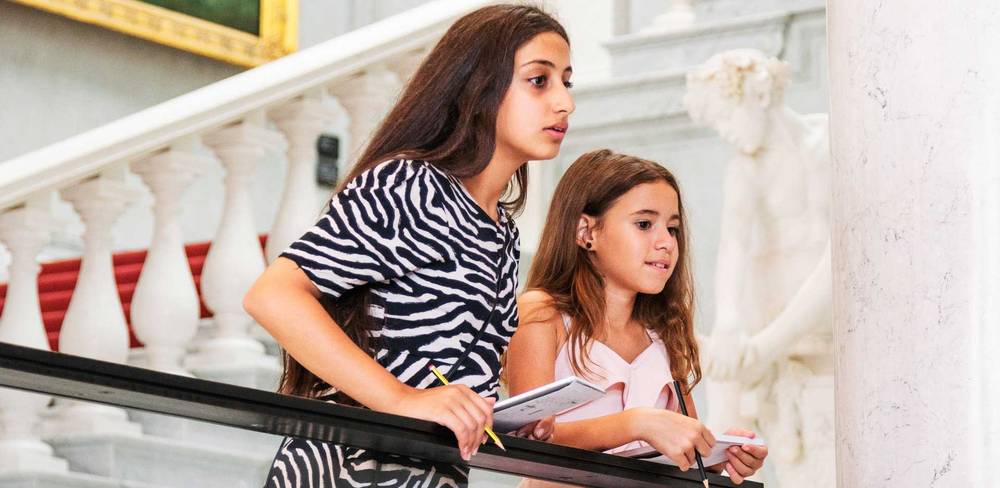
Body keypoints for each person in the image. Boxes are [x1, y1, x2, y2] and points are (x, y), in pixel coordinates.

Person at [243, 5, 575, 487]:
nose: (564, 102)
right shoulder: (410, 185)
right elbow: (272, 295)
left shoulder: (502, 231)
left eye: (568, 81)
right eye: (539, 81)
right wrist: (401, 400)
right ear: (478, 88)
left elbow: (442, 370)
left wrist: (503, 418)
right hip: (345, 472)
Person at [505, 149, 767, 487]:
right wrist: (635, 424)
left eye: (672, 229)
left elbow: (679, 450)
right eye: (644, 224)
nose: (666, 243)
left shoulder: (665, 334)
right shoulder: (541, 314)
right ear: (587, 232)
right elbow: (527, 440)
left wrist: (718, 453)